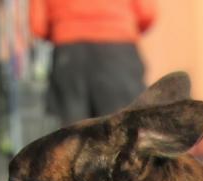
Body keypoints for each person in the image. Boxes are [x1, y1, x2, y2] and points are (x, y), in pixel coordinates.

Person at [29, 0, 157, 124]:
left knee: (74, 134)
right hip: (117, 51)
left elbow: (38, 25)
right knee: (124, 128)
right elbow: (146, 13)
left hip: (69, 54)